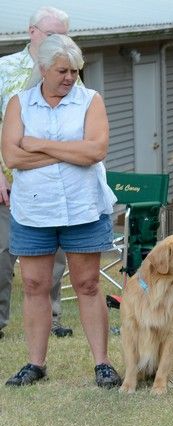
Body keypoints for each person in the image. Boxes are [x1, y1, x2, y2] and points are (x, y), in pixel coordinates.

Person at [0, 34, 121, 388]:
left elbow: (95, 151)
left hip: (82, 208)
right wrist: (70, 151)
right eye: (62, 71)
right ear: (43, 69)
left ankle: (102, 363)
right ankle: (35, 364)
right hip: (34, 211)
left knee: (88, 284)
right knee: (35, 284)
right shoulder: (19, 104)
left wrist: (38, 144)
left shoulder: (90, 101)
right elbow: (13, 157)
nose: (70, 77)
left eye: (74, 71)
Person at [0, 6, 75, 340]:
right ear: (32, 32)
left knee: (53, 258)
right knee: (2, 255)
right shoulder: (4, 69)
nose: (59, 41)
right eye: (52, 34)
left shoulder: (69, 71)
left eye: (64, 35)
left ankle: (52, 317)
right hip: (9, 180)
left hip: (51, 181)